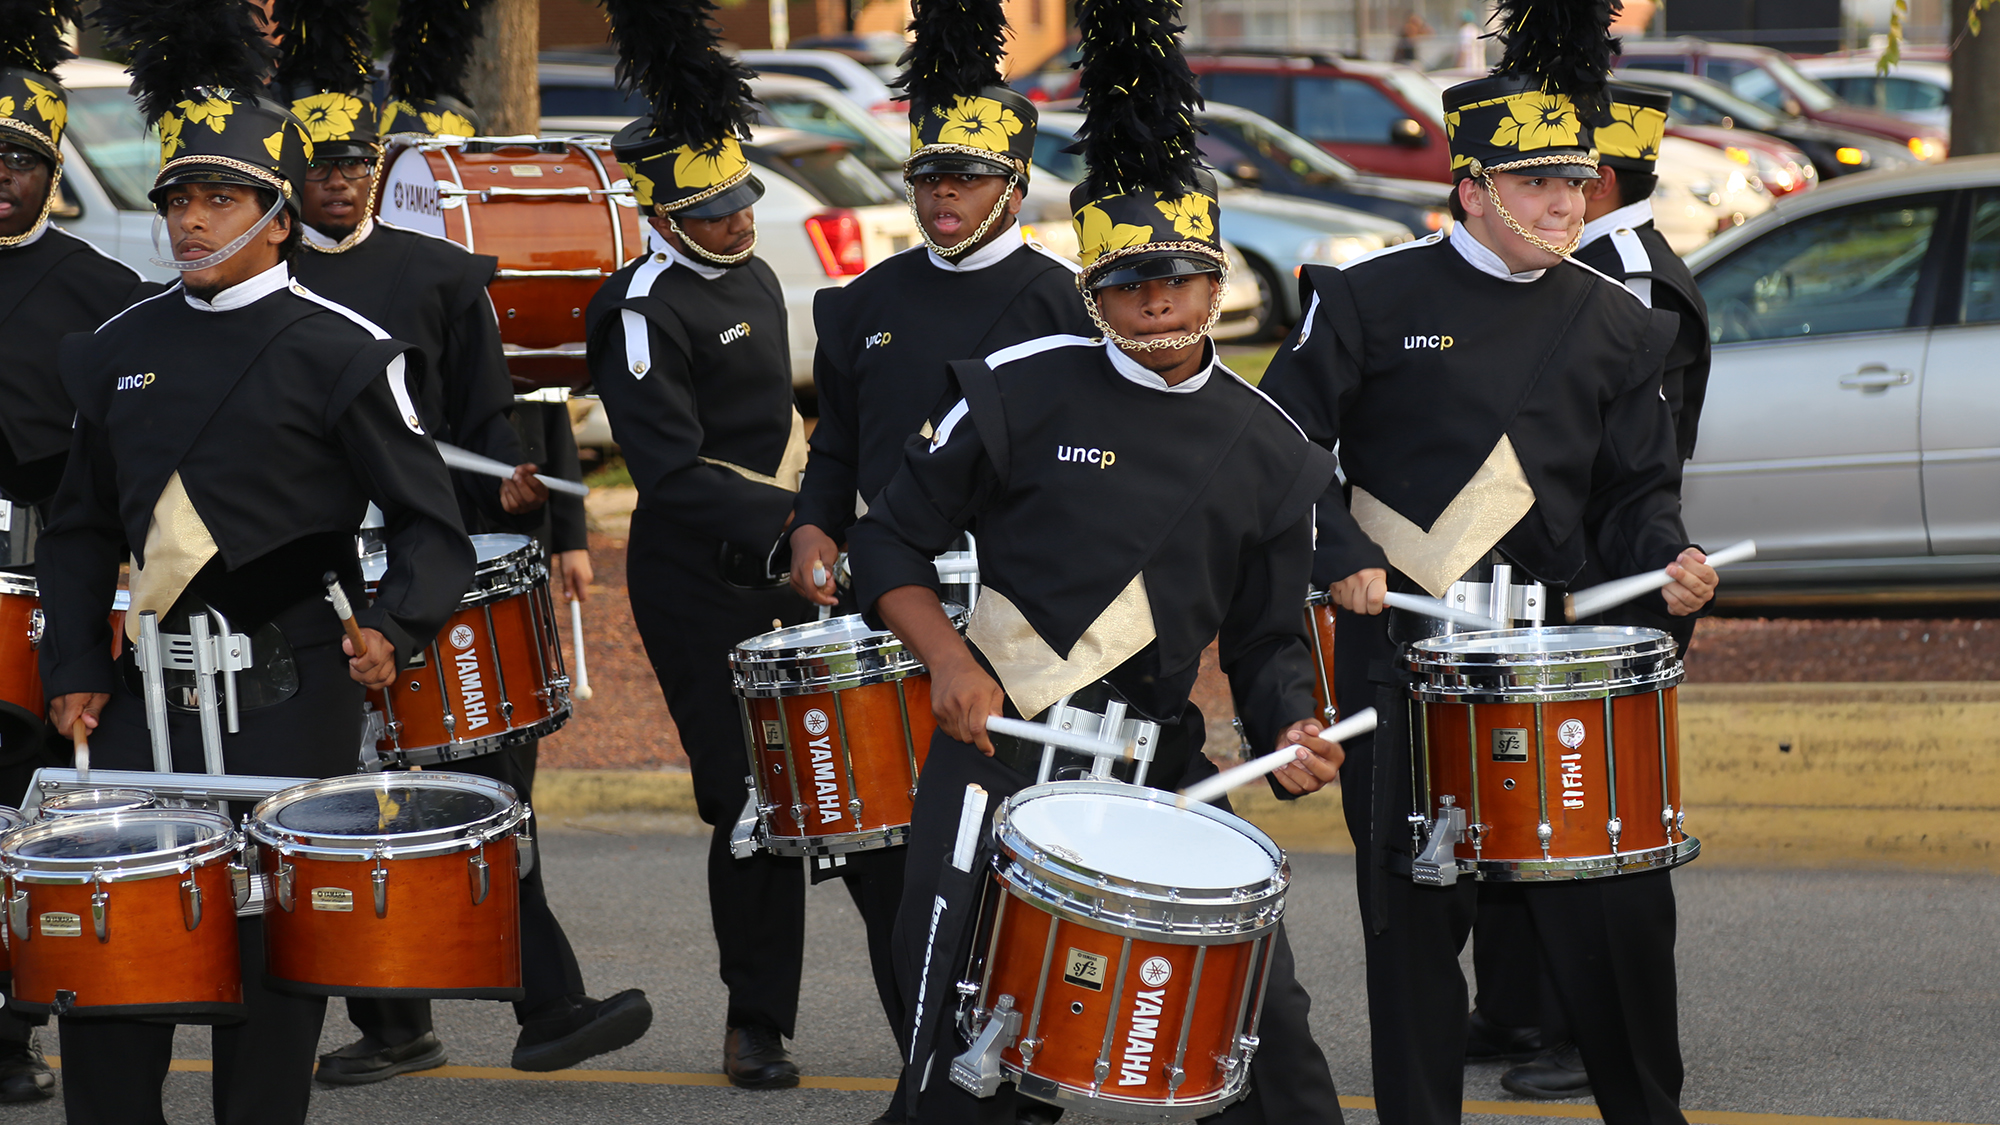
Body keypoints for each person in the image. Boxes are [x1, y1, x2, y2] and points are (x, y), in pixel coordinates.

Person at [852, 0, 1347, 1119]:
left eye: (1177, 276)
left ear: (1220, 283)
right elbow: (886, 538)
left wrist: (1288, 729)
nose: (1155, 298)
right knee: (956, 1038)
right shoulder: (1017, 386)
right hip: (996, 753)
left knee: (1265, 1037)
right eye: (1126, 282)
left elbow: (1269, 637)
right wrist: (944, 659)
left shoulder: (1271, 449)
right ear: (1091, 293)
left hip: (1152, 769)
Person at [1257, 2, 1719, 1121]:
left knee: (1603, 921)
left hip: (1545, 661)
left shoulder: (1616, 326)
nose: (1562, 205)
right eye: (1533, 185)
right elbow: (1273, 449)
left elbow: (1632, 499)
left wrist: (1668, 563)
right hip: (1400, 657)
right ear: (1469, 188)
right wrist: (1343, 550)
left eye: (1573, 185)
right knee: (1411, 934)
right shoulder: (1367, 297)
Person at [35, 2, 475, 1119]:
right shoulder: (117, 349)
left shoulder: (341, 350)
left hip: (293, 688)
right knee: (122, 959)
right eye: (179, 198)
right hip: (143, 689)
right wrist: (74, 665)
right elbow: (82, 525)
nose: (190, 221)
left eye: (219, 198)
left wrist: (401, 624)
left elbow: (430, 524)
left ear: (275, 218)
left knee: (270, 970)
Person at [265, 0, 650, 1081]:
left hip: (439, 561)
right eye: (321, 166)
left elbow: (492, 418)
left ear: (383, 169)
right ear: (292, 174)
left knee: (484, 791)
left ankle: (549, 1004)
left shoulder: (439, 277)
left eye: (357, 165)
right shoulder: (266, 282)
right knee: (349, 797)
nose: (339, 182)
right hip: (323, 570)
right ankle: (397, 1023)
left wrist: (527, 500)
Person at [586, 0, 821, 1088]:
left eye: (739, 201)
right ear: (660, 210)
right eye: (711, 210)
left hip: (788, 566)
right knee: (750, 804)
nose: (736, 221)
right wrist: (802, 527)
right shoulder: (634, 310)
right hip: (697, 583)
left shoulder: (761, 277)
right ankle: (754, 1021)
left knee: (849, 792)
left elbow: (778, 426)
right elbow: (672, 475)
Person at [1467, 79, 1716, 1103]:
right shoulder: (1593, 268)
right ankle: (1517, 1007)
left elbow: (1620, 468)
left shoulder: (1625, 286)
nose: (1551, 194)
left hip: (1610, 581)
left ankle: (1582, 1032)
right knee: (1506, 791)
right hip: (1549, 579)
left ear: (1597, 178)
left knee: (1585, 818)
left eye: (1563, 174)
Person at [787, 0, 1092, 610]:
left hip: (1028, 588)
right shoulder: (864, 301)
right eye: (928, 178)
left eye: (968, 177)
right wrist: (810, 525)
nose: (943, 190)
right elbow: (838, 442)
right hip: (888, 575)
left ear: (1015, 190)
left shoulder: (1074, 301)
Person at [0, 3, 161, 1102]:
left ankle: (13, 1034)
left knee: (26, 806)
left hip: (37, 574)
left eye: (18, 159)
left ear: (51, 167)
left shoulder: (103, 294)